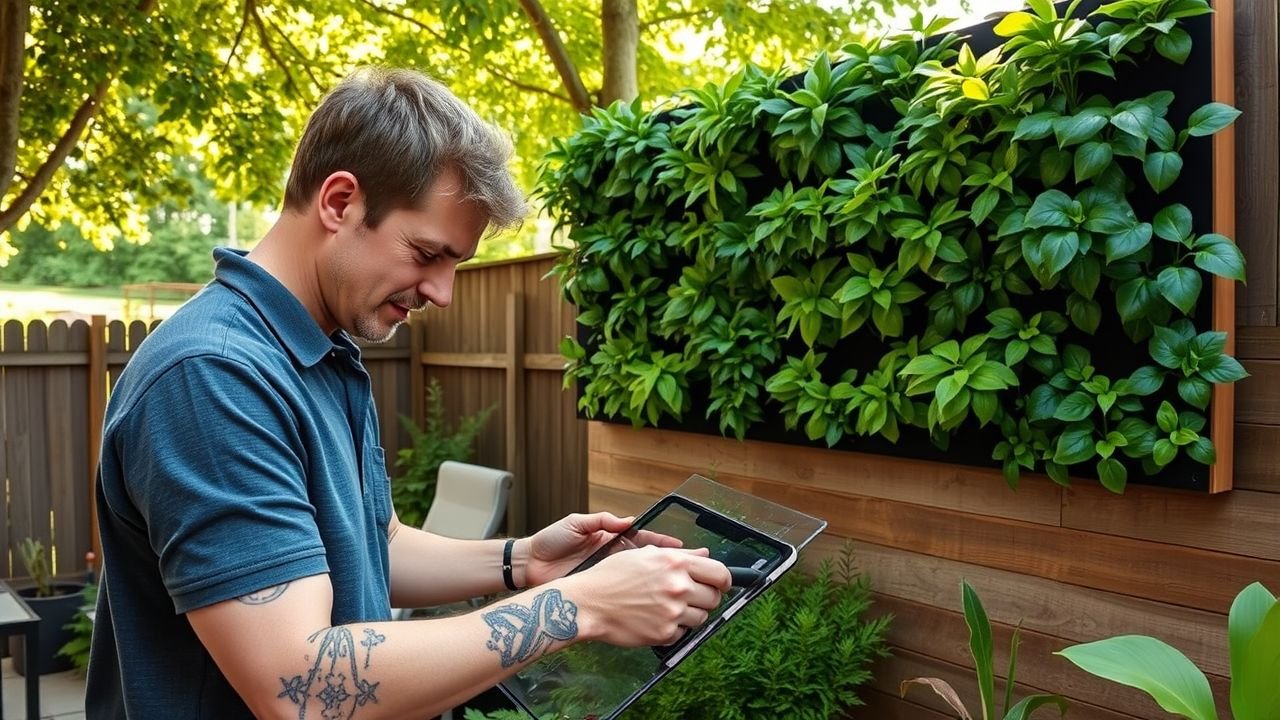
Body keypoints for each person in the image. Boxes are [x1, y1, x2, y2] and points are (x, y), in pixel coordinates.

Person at [87, 67, 731, 719]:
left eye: (455, 264)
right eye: (427, 253)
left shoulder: (324, 350)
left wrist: (523, 560)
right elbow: (303, 689)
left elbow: (377, 545)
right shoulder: (213, 376)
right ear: (340, 203)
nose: (442, 293)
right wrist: (576, 608)